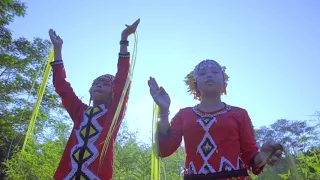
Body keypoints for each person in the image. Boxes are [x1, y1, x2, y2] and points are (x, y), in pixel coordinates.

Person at [148, 59, 283, 180]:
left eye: (214, 72)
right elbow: (164, 150)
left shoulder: (240, 114)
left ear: (224, 81)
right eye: (202, 73)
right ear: (195, 84)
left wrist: (263, 155)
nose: (209, 75)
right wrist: (164, 111)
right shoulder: (184, 115)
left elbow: (252, 161)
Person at [49, 18, 140, 180]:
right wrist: (58, 49)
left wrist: (124, 39)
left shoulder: (113, 113)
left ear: (113, 92)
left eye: (104, 84)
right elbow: (62, 86)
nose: (98, 86)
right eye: (95, 84)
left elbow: (122, 79)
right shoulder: (80, 112)